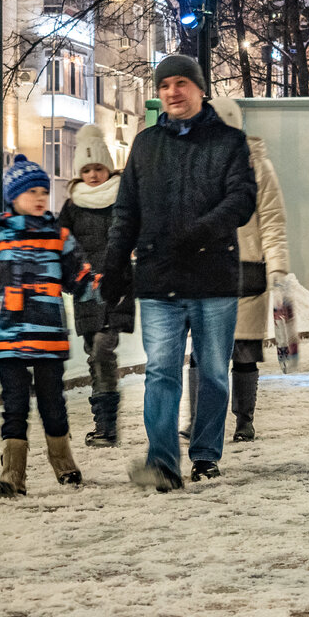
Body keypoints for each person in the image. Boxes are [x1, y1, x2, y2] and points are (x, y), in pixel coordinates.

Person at [102, 55, 257, 491]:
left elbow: (242, 201)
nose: (173, 91)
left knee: (211, 372)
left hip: (213, 278)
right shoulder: (146, 144)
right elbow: (126, 210)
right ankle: (163, 463)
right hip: (159, 276)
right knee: (161, 372)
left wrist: (200, 231)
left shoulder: (229, 142)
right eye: (165, 84)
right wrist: (114, 264)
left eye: (182, 83)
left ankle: (206, 454)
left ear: (200, 89)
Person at [0, 155, 98, 497]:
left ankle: (64, 465)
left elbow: (79, 277)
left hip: (49, 337)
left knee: (52, 404)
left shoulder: (59, 237)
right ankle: (13, 475)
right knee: (15, 407)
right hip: (9, 338)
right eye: (32, 192)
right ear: (14, 197)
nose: (41, 197)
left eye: (44, 191)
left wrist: (100, 291)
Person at [184, 96, 289, 444]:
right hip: (206, 269)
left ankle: (244, 420)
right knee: (202, 353)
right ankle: (198, 419)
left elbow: (272, 222)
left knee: (243, 351)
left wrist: (277, 268)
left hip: (247, 270)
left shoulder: (259, 168)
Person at [58, 125, 134, 447]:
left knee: (103, 348)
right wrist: (71, 278)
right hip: (86, 292)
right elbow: (58, 246)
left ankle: (106, 426)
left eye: (98, 168)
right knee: (95, 354)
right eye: (86, 170)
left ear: (108, 168)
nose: (92, 175)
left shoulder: (123, 198)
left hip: (116, 288)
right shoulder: (72, 206)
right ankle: (105, 422)